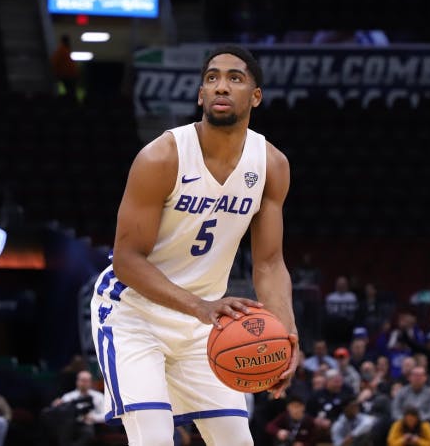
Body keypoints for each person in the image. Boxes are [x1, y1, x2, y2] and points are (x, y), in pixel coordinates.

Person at [89, 45, 298, 446]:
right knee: (153, 439)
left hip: (205, 323)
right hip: (134, 313)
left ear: (255, 96)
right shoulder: (161, 156)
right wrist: (201, 307)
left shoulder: (271, 164)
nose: (221, 86)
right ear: (201, 95)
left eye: (235, 78)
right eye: (212, 78)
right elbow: (127, 261)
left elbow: (270, 264)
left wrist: (287, 331)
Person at [50, 35, 80, 100]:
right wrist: (56, 74)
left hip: (69, 75)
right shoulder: (62, 50)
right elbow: (55, 62)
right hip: (67, 75)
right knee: (71, 92)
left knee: (71, 91)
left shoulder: (65, 50)